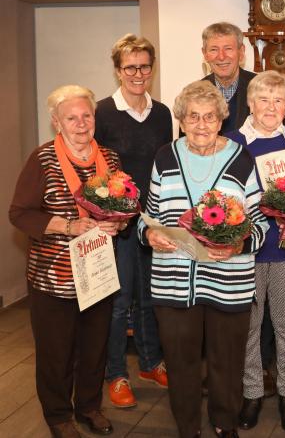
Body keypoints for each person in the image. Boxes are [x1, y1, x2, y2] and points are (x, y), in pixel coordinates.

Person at [138, 80, 268, 438]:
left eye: (209, 117)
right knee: (181, 364)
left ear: (221, 120)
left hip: (229, 281)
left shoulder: (240, 158)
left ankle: (225, 424)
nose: (201, 124)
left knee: (227, 362)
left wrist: (237, 246)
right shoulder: (165, 156)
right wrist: (149, 234)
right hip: (174, 281)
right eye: (192, 117)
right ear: (181, 120)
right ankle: (188, 428)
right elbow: (147, 215)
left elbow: (261, 223)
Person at [9, 85, 125, 438]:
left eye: (86, 115)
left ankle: (89, 407)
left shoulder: (110, 159)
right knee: (55, 353)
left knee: (94, 348)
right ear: (57, 123)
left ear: (95, 118)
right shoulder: (42, 159)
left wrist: (118, 223)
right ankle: (58, 415)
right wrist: (68, 225)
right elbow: (19, 213)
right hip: (53, 278)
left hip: (98, 273)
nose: (81, 123)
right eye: (71, 118)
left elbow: (123, 207)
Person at [225, 71, 285, 433]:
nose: (271, 107)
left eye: (279, 100)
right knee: (249, 325)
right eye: (264, 99)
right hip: (245, 249)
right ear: (250, 103)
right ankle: (252, 392)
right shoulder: (231, 143)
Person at [94, 33, 171, 409]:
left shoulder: (163, 113)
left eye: (144, 66)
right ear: (117, 70)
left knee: (151, 296)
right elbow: (95, 170)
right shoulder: (102, 112)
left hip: (153, 220)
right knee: (120, 299)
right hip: (118, 225)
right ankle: (116, 373)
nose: (138, 74)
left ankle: (150, 362)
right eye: (130, 67)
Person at [200, 21, 276, 398]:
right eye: (214, 49)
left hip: (255, 203)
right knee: (214, 295)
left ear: (241, 52)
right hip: (213, 206)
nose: (221, 56)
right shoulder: (196, 92)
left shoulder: (260, 86)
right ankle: (220, 370)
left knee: (257, 300)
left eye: (228, 48)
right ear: (204, 54)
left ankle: (261, 369)